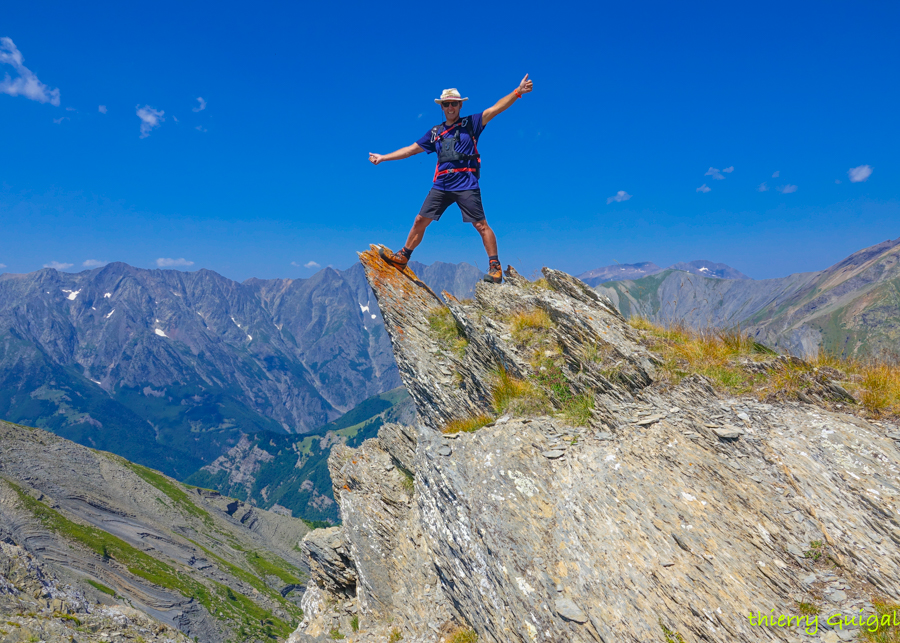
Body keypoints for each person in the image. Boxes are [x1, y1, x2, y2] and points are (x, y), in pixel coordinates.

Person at [369, 75, 534, 284]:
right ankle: (403, 257)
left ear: (459, 105)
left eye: (454, 104)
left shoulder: (471, 123)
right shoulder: (435, 132)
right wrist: (383, 157)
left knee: (481, 225)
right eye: (446, 104)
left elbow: (496, 109)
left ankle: (495, 266)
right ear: (442, 107)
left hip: (466, 182)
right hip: (442, 185)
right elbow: (411, 150)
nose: (450, 107)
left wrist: (517, 92)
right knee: (420, 220)